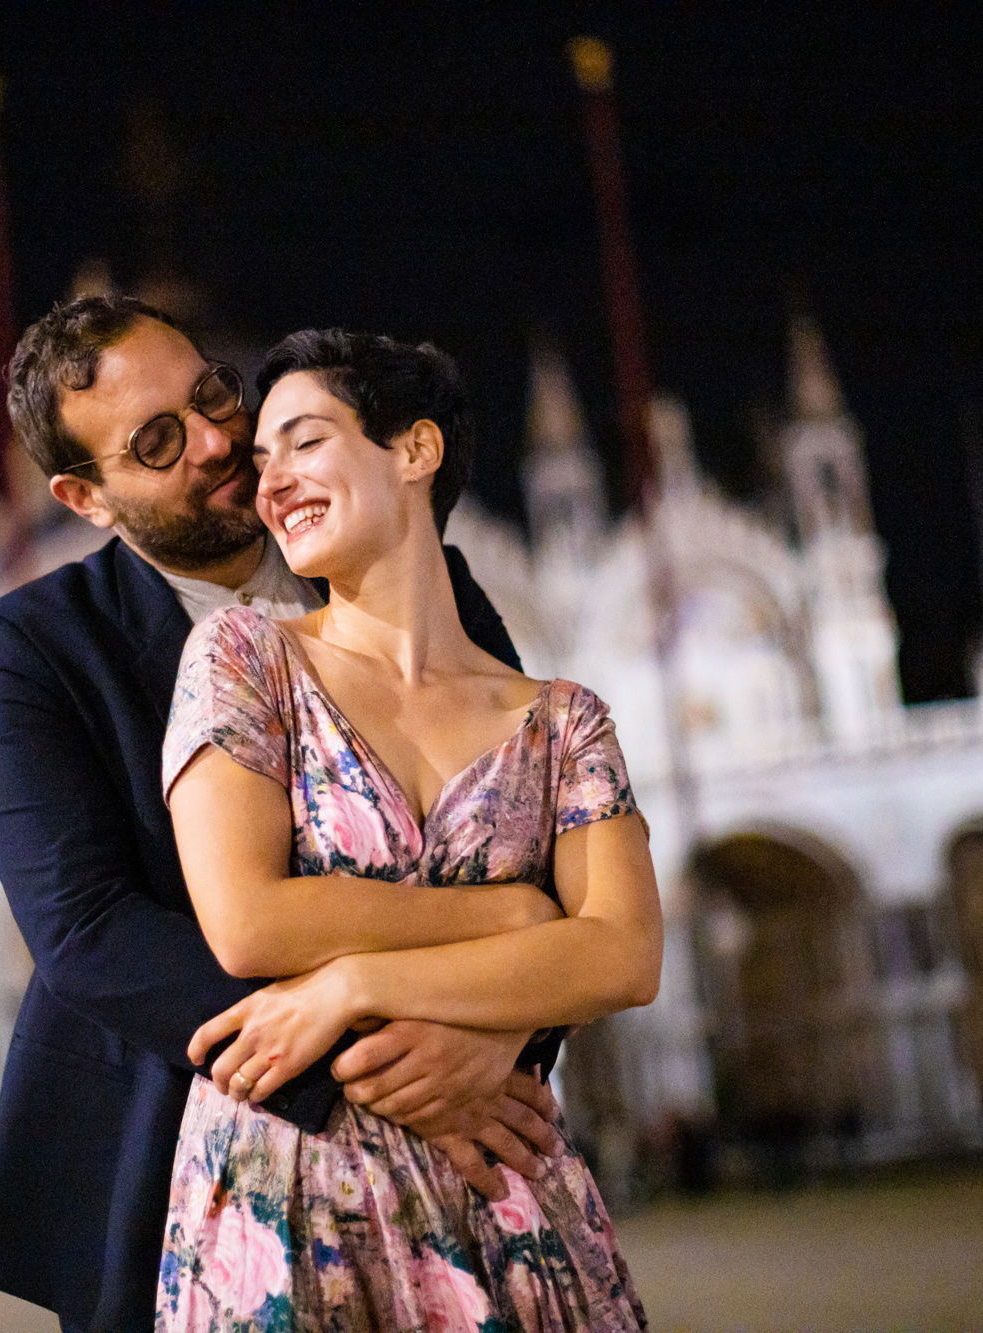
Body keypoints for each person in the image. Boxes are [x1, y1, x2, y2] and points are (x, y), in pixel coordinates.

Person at [0, 296, 570, 1332]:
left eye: (211, 394)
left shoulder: (418, 577)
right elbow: (89, 934)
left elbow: (532, 841)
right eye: (157, 442)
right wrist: (387, 1070)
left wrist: (506, 1034)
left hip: (463, 1142)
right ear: (85, 495)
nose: (215, 440)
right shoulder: (36, 644)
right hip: (177, 1166)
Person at [156, 330, 659, 1328]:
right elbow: (248, 920)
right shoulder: (243, 657)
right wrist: (519, 923)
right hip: (295, 1202)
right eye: (260, 462)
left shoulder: (562, 719)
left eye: (302, 442)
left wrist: (353, 981)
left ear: (414, 450)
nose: (271, 484)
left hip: (504, 1190)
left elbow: (625, 953)